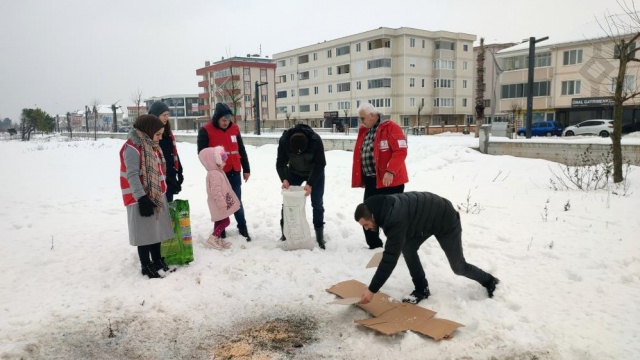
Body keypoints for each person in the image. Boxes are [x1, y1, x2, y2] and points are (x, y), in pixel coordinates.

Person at [355, 191, 500, 305]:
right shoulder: (382, 206)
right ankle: (421, 289)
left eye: (366, 225)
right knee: (408, 248)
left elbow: (389, 260)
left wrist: (371, 290)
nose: (367, 229)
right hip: (426, 221)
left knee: (458, 266)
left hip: (446, 220)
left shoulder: (394, 219)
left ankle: (490, 281)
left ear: (372, 216)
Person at [119, 115, 174, 279]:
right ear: (148, 131)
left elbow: (157, 169)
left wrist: (168, 182)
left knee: (155, 230)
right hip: (139, 198)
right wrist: (142, 198)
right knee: (144, 233)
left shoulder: (150, 145)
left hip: (155, 194)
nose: (159, 137)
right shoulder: (132, 148)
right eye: (157, 134)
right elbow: (132, 175)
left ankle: (157, 260)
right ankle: (145, 265)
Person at [352, 103, 409, 249]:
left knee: (392, 216)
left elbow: (400, 150)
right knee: (367, 213)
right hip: (372, 181)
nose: (361, 121)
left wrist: (390, 171)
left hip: (391, 181)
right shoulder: (365, 130)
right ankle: (374, 245)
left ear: (372, 116)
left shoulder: (390, 127)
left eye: (362, 118)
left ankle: (396, 246)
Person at [197, 103, 252, 241]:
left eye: (228, 120)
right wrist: (212, 169)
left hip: (234, 170)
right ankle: (221, 230)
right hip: (219, 174)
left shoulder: (234, 128)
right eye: (223, 120)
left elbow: (241, 149)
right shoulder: (206, 130)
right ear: (217, 118)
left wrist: (246, 169)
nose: (226, 123)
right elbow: (202, 154)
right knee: (220, 202)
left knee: (236, 200)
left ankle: (243, 227)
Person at [276, 123, 326, 249]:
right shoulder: (284, 141)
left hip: (314, 172)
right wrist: (284, 179)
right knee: (288, 202)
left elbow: (320, 163)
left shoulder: (315, 140)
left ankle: (319, 235)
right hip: (294, 172)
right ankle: (285, 232)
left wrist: (310, 183)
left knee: (317, 203)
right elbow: (280, 163)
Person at [198, 146, 241, 250]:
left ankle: (217, 238)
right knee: (226, 221)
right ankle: (212, 238)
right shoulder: (214, 174)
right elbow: (216, 192)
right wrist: (222, 204)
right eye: (223, 161)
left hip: (218, 203)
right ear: (215, 162)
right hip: (218, 203)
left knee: (219, 220)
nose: (225, 163)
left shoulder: (217, 172)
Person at [148, 101, 183, 202]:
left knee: (168, 211)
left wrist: (179, 171)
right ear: (155, 116)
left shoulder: (168, 132)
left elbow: (173, 153)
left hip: (170, 177)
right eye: (163, 115)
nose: (166, 117)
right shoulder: (151, 134)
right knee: (159, 212)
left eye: (167, 115)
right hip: (157, 179)